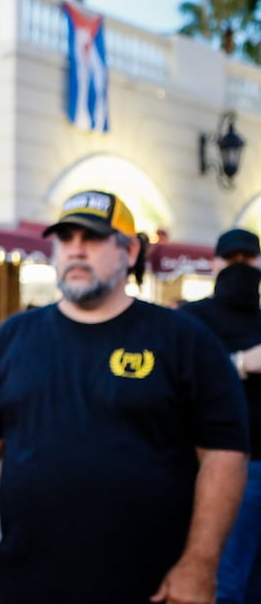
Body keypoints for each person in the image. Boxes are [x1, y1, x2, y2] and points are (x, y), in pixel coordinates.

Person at [0, 189, 250, 604]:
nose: (76, 250)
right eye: (65, 239)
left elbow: (224, 455)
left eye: (94, 238)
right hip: (27, 582)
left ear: (131, 249)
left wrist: (200, 565)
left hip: (150, 585)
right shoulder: (12, 338)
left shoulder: (184, 341)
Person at [180, 227, 261, 603]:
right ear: (215, 264)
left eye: (249, 259)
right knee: (226, 582)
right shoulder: (192, 320)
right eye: (232, 260)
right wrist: (243, 362)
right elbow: (181, 384)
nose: (241, 267)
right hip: (221, 468)